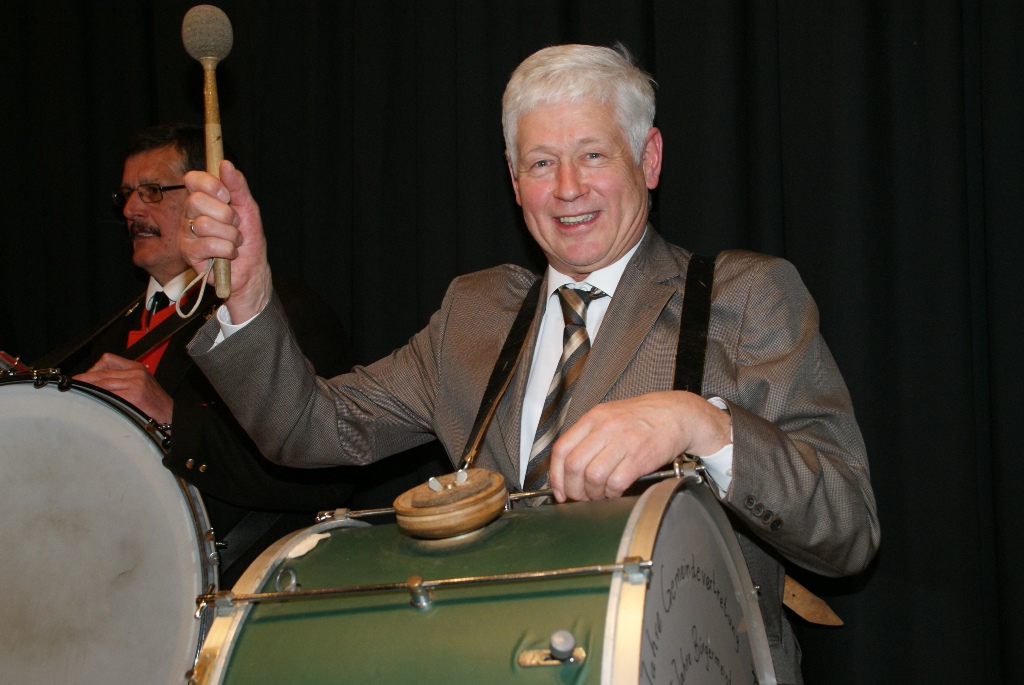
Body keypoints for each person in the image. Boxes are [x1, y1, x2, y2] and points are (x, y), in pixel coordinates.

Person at [180, 46, 879, 682]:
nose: (568, 187)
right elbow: (306, 427)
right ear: (515, 181)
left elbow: (848, 530)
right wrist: (250, 292)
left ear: (649, 158)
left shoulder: (743, 297)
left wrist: (701, 423)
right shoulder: (474, 311)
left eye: (593, 155)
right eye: (541, 163)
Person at [54, 123, 356, 586]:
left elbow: (328, 476)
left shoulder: (281, 312)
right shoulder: (107, 337)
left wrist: (174, 419)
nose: (131, 210)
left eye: (153, 191)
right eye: (127, 195)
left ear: (210, 199)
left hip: (238, 589)